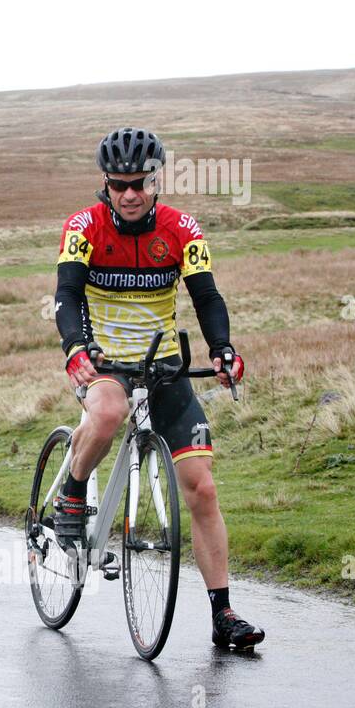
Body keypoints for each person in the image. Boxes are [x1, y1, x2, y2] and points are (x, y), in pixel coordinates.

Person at [52, 127, 265, 650]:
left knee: (203, 487)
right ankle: (73, 493)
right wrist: (76, 349)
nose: (129, 194)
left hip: (164, 367)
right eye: (119, 184)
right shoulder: (83, 227)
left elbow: (207, 296)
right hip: (104, 361)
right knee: (106, 414)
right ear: (106, 182)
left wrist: (223, 349)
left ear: (155, 180)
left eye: (140, 184)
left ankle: (224, 615)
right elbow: (66, 293)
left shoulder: (183, 230)